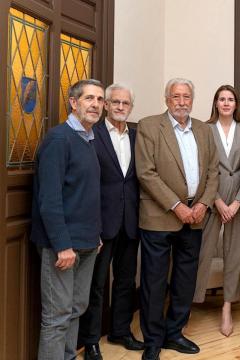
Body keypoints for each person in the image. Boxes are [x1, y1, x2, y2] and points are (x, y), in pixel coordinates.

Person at [135, 78, 219, 360]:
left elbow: (213, 172)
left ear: (192, 100)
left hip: (196, 217)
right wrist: (176, 206)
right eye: (176, 96)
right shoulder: (149, 126)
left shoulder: (204, 130)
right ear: (166, 99)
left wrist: (204, 203)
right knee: (154, 281)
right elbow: (146, 173)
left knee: (185, 281)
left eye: (186, 96)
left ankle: (175, 333)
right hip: (160, 217)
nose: (181, 101)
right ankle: (153, 341)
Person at [31, 79, 104, 360]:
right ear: (74, 103)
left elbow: (86, 194)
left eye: (99, 99)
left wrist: (95, 233)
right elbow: (49, 201)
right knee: (57, 316)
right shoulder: (59, 139)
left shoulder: (88, 138)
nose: (95, 104)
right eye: (89, 99)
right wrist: (62, 245)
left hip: (86, 242)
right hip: (62, 247)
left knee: (75, 310)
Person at [79, 83, 143, 359]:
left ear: (130, 107)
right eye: (114, 102)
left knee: (126, 281)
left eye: (125, 103)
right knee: (96, 284)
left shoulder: (138, 135)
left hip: (130, 222)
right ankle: (91, 339)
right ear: (106, 105)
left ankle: (120, 330)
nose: (119, 107)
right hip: (102, 223)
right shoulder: (93, 134)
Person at [193, 85, 240, 337]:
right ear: (216, 103)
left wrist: (238, 202)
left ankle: (227, 307)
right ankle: (189, 305)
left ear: (236, 104)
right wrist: (216, 201)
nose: (226, 103)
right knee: (202, 253)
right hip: (211, 196)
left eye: (230, 99)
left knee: (233, 255)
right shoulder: (203, 130)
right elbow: (199, 167)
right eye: (222, 99)